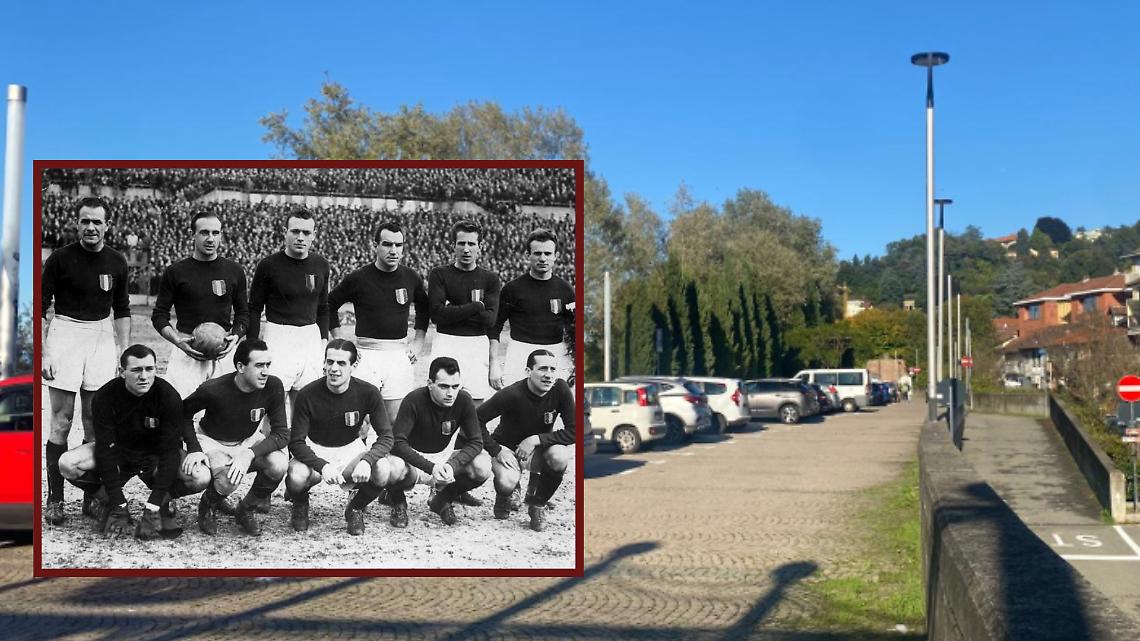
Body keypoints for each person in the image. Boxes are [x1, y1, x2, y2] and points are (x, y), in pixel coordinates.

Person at [41, 196, 132, 525]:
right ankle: (55, 499)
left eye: (97, 221)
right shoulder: (59, 260)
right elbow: (39, 308)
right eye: (85, 221)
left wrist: (123, 350)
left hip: (100, 336)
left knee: (96, 421)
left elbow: (122, 309)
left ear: (108, 225)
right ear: (76, 223)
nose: (90, 227)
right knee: (62, 421)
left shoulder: (117, 261)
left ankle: (91, 496)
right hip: (65, 332)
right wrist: (45, 351)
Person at [56, 345, 210, 539]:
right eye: (137, 370)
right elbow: (105, 449)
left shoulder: (168, 395)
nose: (144, 376)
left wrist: (152, 503)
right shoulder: (105, 396)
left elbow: (170, 452)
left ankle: (161, 503)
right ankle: (109, 502)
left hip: (155, 457)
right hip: (120, 453)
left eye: (149, 369)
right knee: (67, 464)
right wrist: (117, 501)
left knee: (201, 475)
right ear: (122, 372)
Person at [286, 339, 400, 534]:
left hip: (350, 451)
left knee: (382, 468)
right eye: (329, 362)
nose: (334, 369)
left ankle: (355, 508)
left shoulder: (369, 392)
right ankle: (300, 503)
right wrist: (322, 465)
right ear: (324, 363)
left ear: (353, 366)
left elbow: (387, 437)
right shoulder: (307, 394)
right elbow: (296, 442)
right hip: (316, 449)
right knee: (295, 475)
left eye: (341, 363)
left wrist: (367, 460)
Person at [181, 340, 289, 536]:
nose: (265, 371)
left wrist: (249, 453)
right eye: (259, 365)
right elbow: (181, 413)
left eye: (268, 365)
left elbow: (281, 433)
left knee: (279, 464)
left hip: (247, 440)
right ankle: (208, 505)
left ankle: (245, 509)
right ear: (240, 366)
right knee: (230, 479)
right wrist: (195, 448)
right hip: (214, 441)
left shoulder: (273, 385)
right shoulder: (214, 389)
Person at [328, 221, 428, 424]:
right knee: (360, 419)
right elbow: (329, 304)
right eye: (387, 244)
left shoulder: (410, 277)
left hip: (398, 355)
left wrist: (418, 342)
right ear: (376, 246)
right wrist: (340, 340)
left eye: (398, 245)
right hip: (366, 354)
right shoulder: (358, 278)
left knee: (395, 420)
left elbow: (424, 308)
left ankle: (389, 456)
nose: (393, 250)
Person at [152, 210, 249, 398]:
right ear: (193, 235)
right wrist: (178, 342)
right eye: (204, 232)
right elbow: (159, 315)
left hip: (223, 352)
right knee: (181, 412)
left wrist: (235, 337)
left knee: (223, 415)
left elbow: (243, 314)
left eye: (215, 233)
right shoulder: (176, 272)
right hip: (187, 349)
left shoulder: (234, 271)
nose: (210, 238)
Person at [477, 350, 575, 531]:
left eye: (553, 369)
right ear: (528, 371)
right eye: (542, 369)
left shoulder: (560, 389)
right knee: (507, 482)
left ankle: (538, 505)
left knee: (560, 455)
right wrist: (497, 450)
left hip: (537, 450)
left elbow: (575, 430)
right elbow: (475, 421)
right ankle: (505, 494)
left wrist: (537, 439)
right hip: (509, 451)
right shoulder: (511, 394)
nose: (548, 375)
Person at [248, 208, 330, 421]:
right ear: (285, 232)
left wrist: (323, 340)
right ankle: (268, 449)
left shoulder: (321, 264)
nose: (300, 237)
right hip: (279, 336)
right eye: (295, 231)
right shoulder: (268, 265)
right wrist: (252, 344)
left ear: (314, 234)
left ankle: (298, 451)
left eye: (306, 232)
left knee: (305, 403)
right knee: (272, 401)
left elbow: (323, 306)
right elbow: (254, 308)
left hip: (310, 337)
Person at [389, 357, 491, 526]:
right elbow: (397, 442)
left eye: (455, 386)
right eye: (444, 386)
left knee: (483, 466)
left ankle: (442, 499)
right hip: (413, 461)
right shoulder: (413, 400)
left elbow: (476, 442)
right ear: (430, 383)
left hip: (444, 460)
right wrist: (430, 467)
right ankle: (398, 501)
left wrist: (452, 465)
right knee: (391, 467)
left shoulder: (464, 400)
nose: (450, 393)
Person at [489, 229, 576, 389]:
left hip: (555, 353)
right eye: (537, 253)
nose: (543, 258)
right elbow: (495, 327)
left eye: (548, 253)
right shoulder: (512, 289)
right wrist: (493, 364)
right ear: (528, 255)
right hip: (520, 354)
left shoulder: (566, 290)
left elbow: (574, 331)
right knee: (517, 408)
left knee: (555, 409)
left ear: (556, 256)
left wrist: (576, 365)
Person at [427, 220, 501, 404]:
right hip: (446, 342)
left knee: (474, 405)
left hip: (477, 346)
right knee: (440, 403)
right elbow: (436, 315)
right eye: (461, 243)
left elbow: (490, 320)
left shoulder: (490, 279)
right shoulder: (439, 274)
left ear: (480, 247)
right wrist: (476, 306)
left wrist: (452, 309)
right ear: (453, 246)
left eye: (471, 243)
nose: (466, 249)